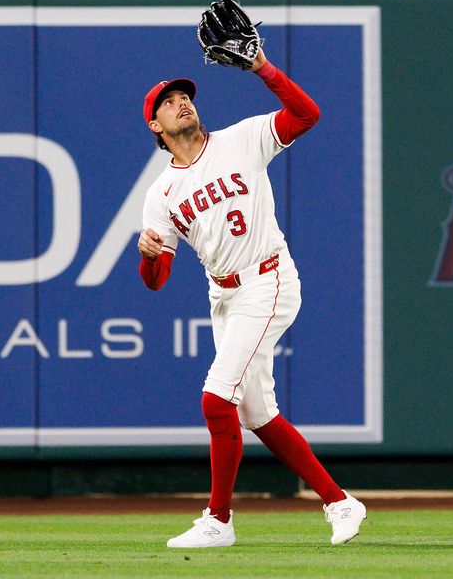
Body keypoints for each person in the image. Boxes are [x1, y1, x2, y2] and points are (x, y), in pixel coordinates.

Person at [137, 45, 367, 548]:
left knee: (216, 399)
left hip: (268, 278)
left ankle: (218, 521)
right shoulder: (161, 194)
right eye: (169, 101)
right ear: (156, 126)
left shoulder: (242, 139)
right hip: (224, 296)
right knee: (257, 413)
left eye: (184, 96)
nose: (182, 103)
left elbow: (308, 115)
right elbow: (156, 280)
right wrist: (150, 252)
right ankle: (339, 502)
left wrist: (261, 68)